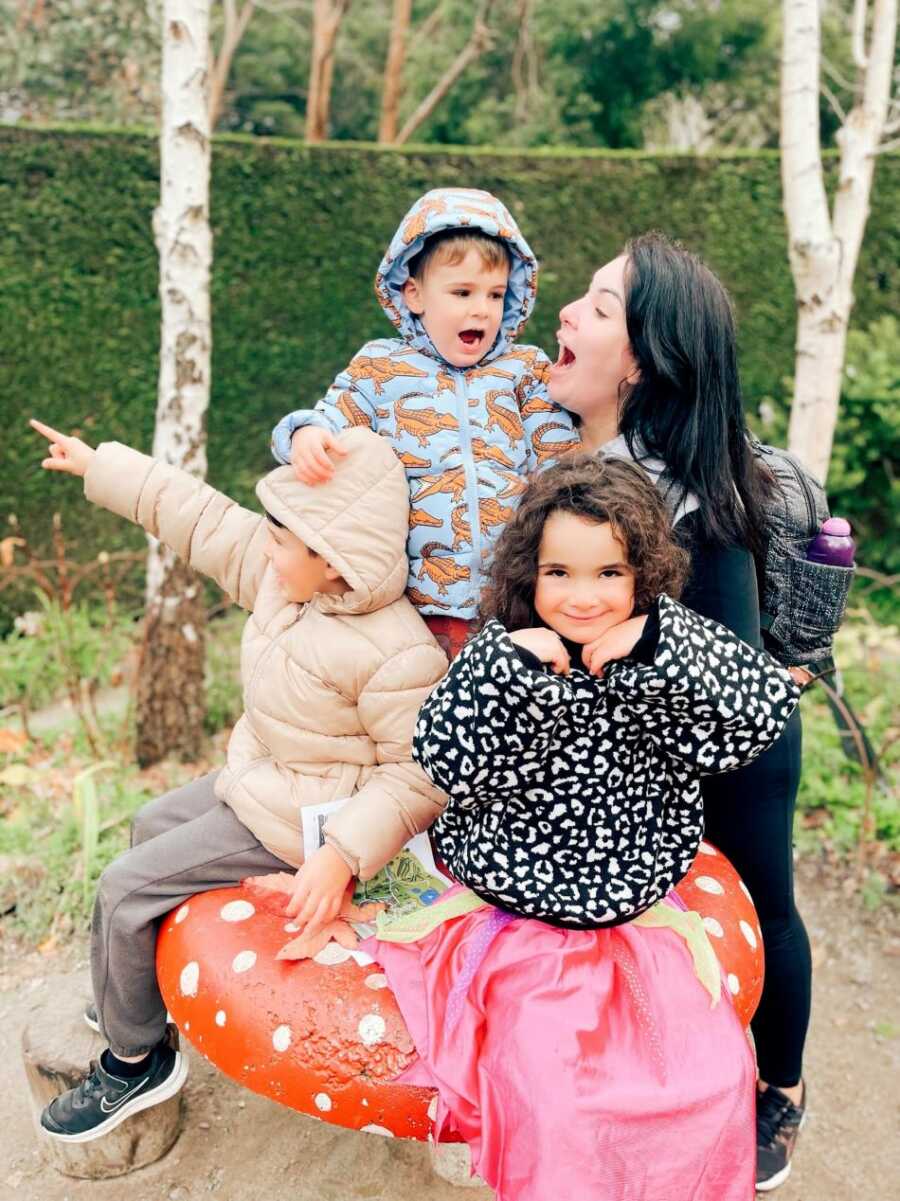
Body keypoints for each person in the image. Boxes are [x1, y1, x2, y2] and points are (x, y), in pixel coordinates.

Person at [364, 454, 800, 1201]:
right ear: (528, 571)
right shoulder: (501, 645)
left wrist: (660, 653)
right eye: (559, 571)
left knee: (712, 1075)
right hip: (517, 919)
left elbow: (761, 714)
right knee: (554, 1095)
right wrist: (507, 670)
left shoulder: (669, 637)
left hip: (639, 915)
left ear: (644, 573)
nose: (584, 596)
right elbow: (441, 757)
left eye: (610, 573)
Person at [29, 418, 448, 1143]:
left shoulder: (395, 651)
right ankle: (137, 996)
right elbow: (200, 515)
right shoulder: (282, 575)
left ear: (334, 556)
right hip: (263, 775)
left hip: (304, 821)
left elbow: (419, 773)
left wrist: (344, 851)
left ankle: (135, 1060)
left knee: (125, 885)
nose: (267, 544)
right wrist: (102, 467)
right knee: (147, 827)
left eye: (283, 538)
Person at [546, 231, 810, 1192]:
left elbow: (733, 683)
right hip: (645, 752)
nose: (566, 312)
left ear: (645, 360)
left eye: (599, 306)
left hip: (741, 751)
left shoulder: (693, 500)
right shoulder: (577, 451)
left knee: (760, 906)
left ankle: (779, 1086)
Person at [270, 186, 577, 659]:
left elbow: (561, 459)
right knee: (421, 712)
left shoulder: (524, 369)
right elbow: (331, 415)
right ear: (413, 294)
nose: (481, 309)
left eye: (496, 295)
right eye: (462, 292)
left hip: (516, 601)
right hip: (417, 606)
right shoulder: (380, 368)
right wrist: (307, 433)